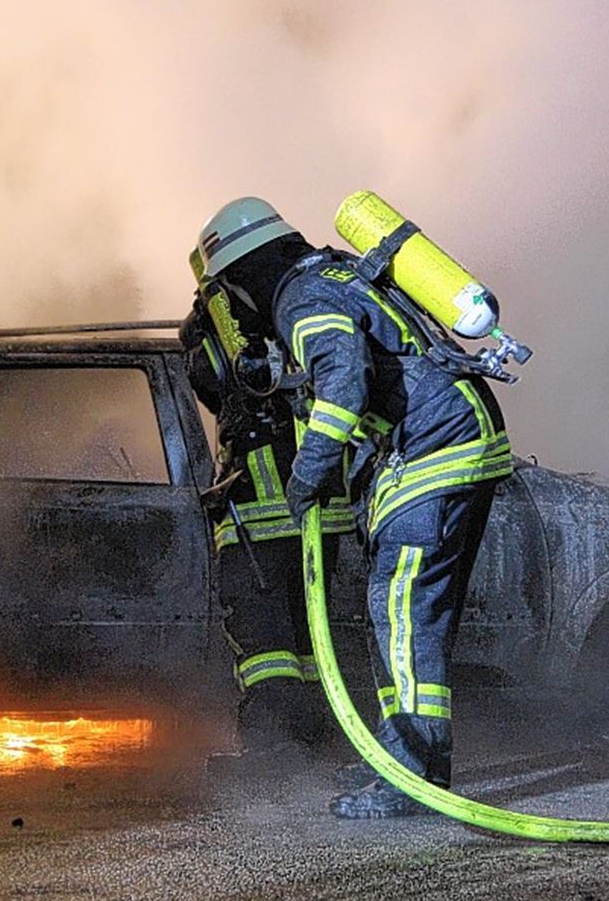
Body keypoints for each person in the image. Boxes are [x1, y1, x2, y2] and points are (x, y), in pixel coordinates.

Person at [194, 197, 512, 818]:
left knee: (400, 612)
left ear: (242, 276)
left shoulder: (300, 299)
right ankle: (405, 759)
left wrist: (307, 474)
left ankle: (409, 778)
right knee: (409, 616)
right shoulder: (334, 272)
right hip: (457, 436)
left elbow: (343, 380)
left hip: (434, 451)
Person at [180, 246, 355, 778]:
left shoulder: (218, 323)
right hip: (324, 513)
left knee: (263, 642)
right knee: (314, 634)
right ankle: (324, 739)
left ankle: (273, 748)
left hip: (258, 516)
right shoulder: (303, 307)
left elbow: (211, 385)